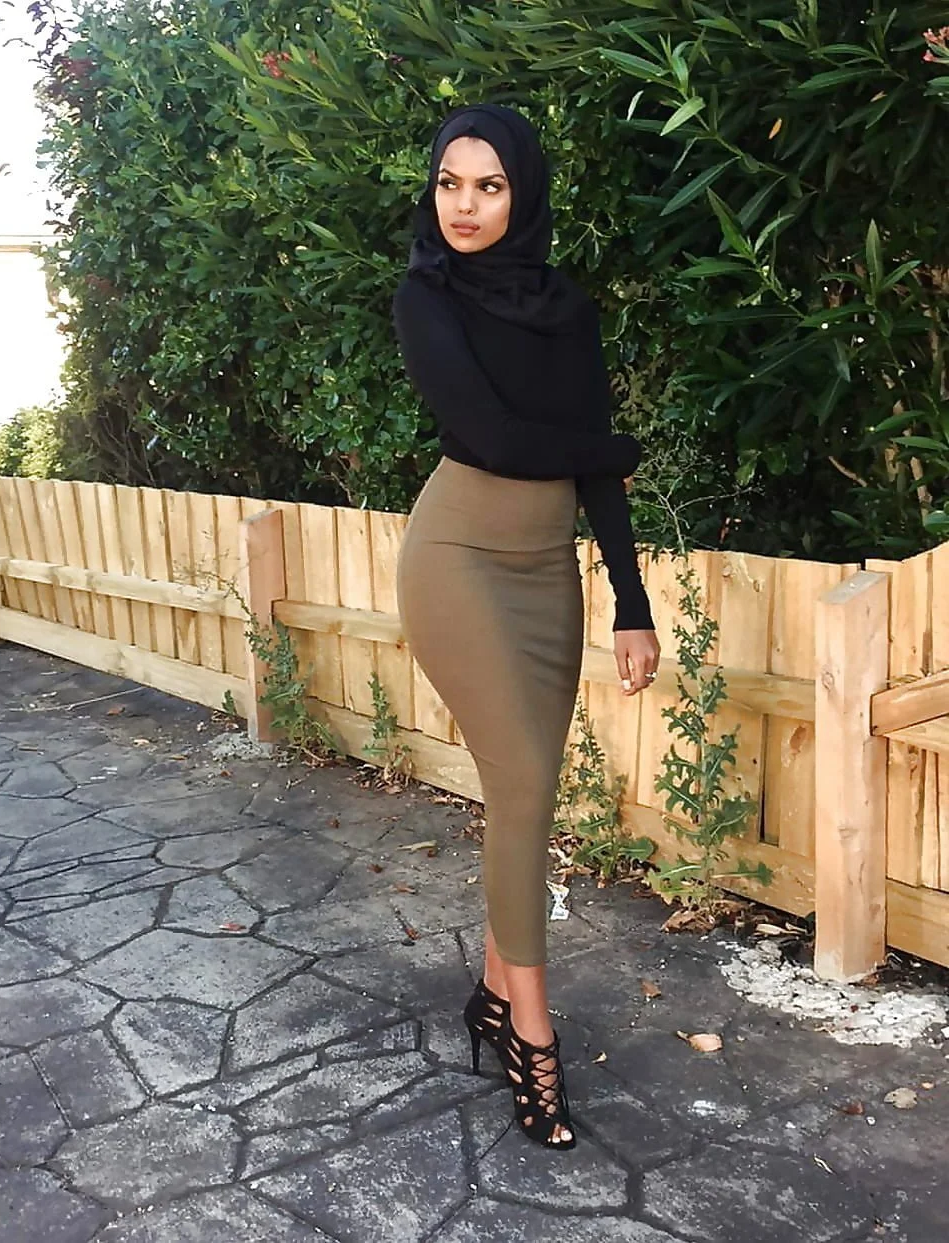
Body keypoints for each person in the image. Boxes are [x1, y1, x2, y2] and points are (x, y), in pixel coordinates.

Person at [392, 103, 660, 1152]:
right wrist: (613, 447)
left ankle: (497, 989)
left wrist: (632, 605)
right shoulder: (425, 294)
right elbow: (495, 437)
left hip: (548, 570)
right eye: (449, 183)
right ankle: (533, 1038)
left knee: (530, 791)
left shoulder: (567, 309)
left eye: (489, 185)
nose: (464, 206)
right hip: (458, 556)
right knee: (522, 787)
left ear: (523, 194)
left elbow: (592, 469)